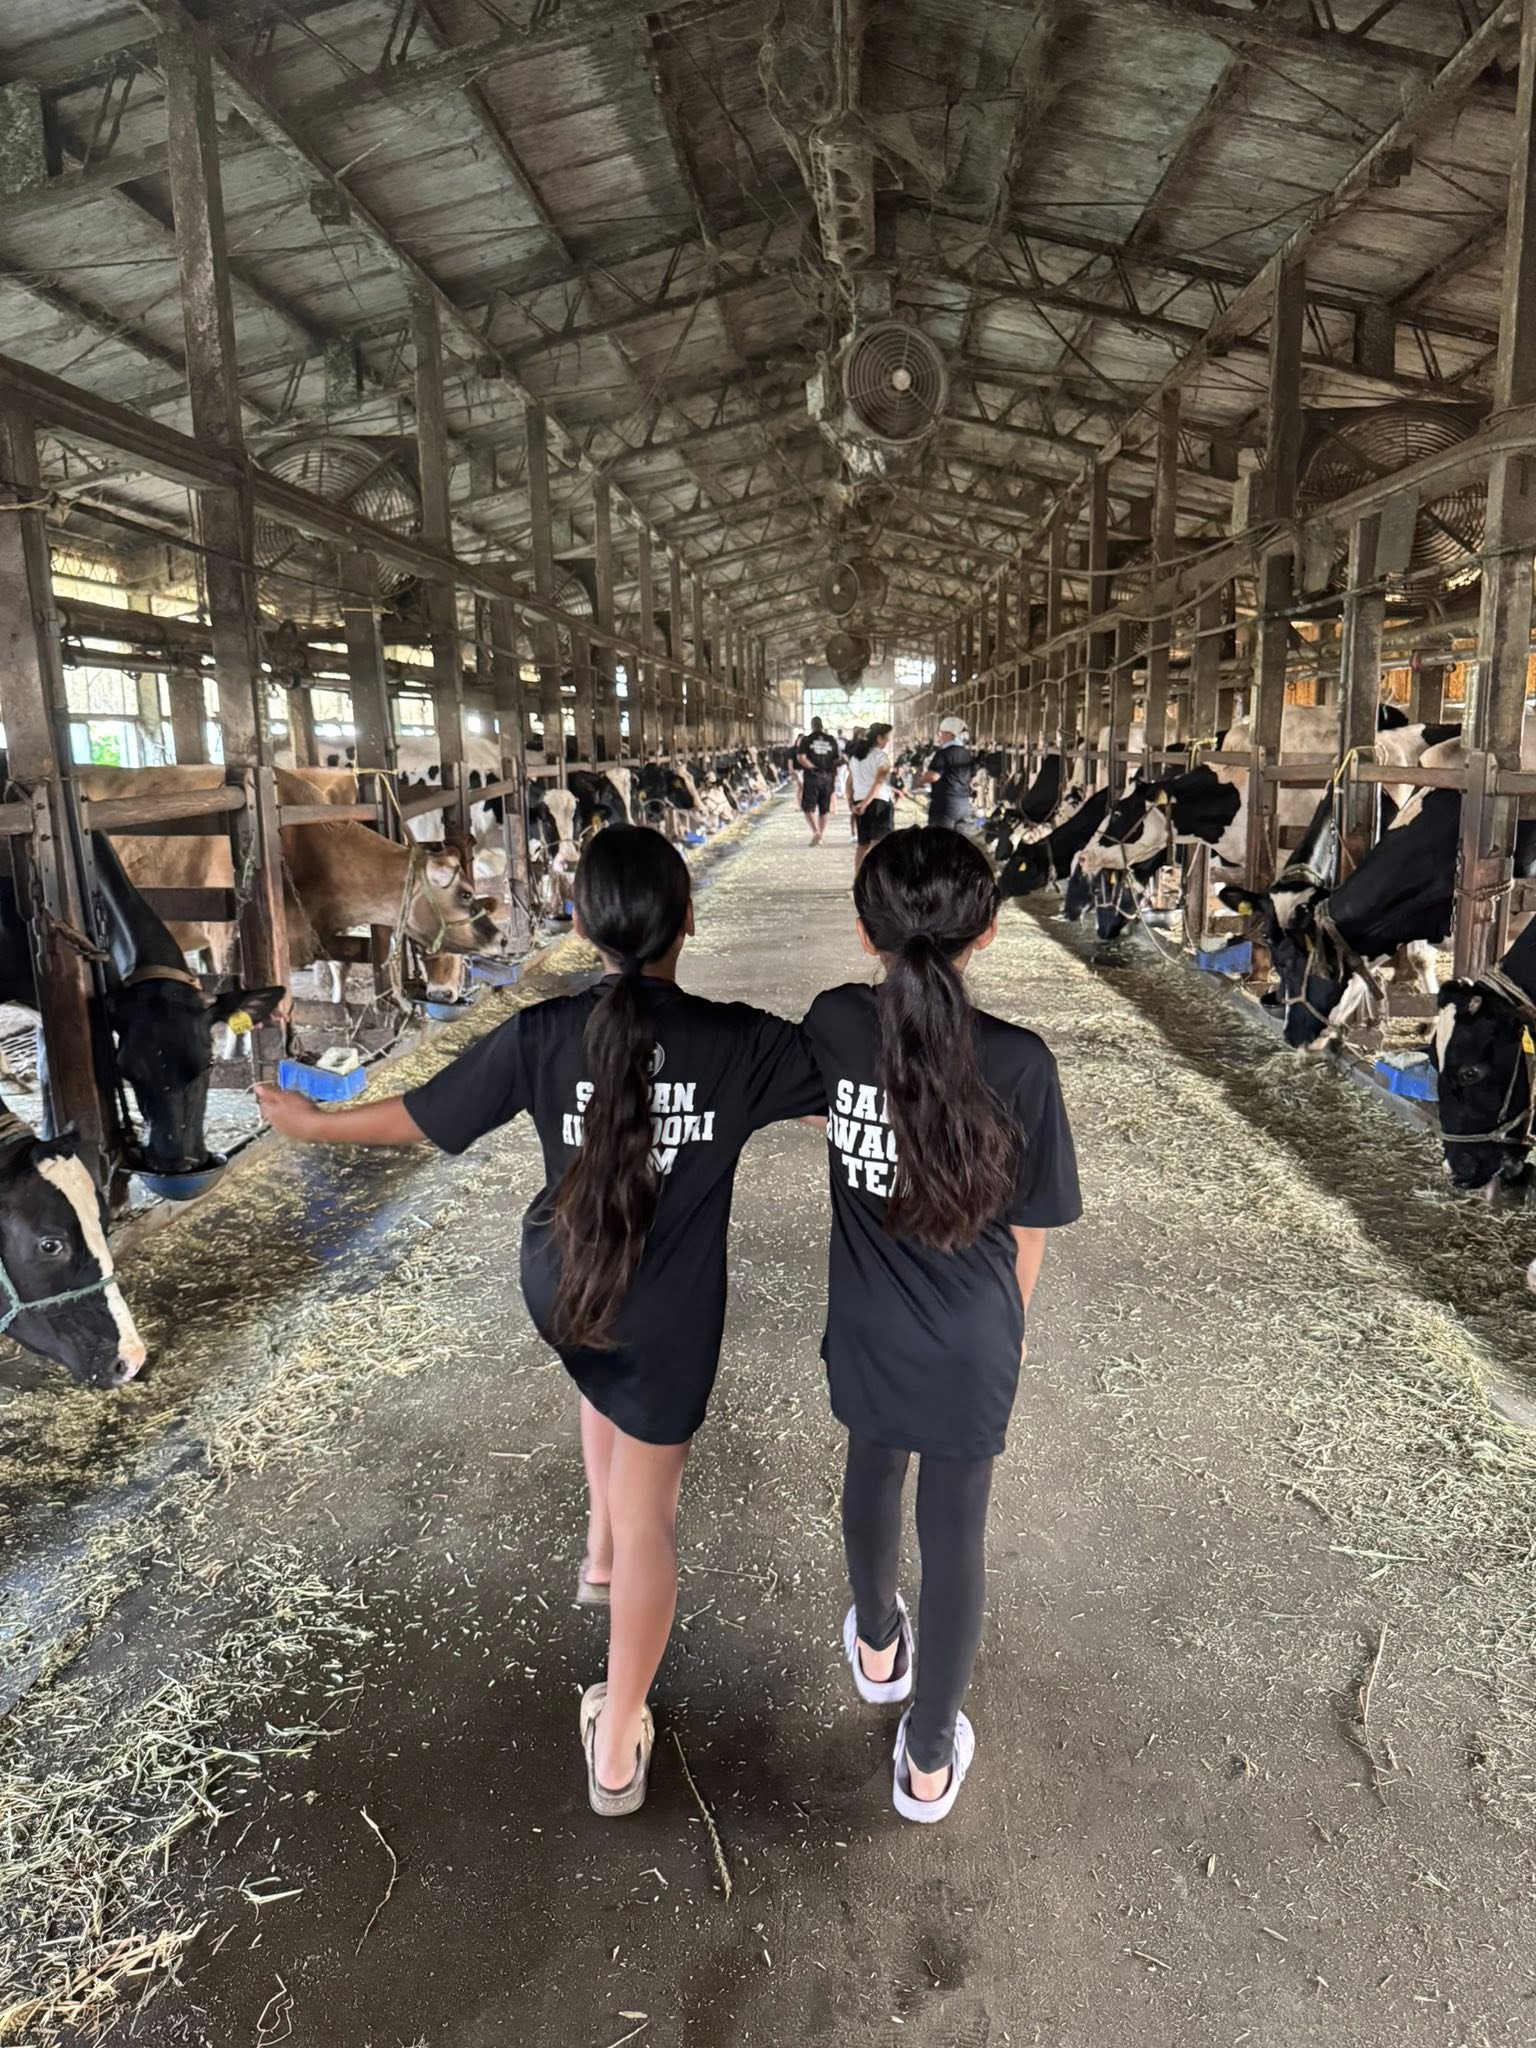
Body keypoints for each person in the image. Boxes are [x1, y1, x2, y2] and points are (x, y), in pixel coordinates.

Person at [254, 826, 824, 1818]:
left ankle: (599, 1555)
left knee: (596, 1365)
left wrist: (312, 1122)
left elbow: (419, 1116)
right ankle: (615, 1745)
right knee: (658, 1510)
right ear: (689, 919)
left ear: (579, 923)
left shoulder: (542, 1033)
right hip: (667, 1318)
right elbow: (849, 1083)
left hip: (560, 1285)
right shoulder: (742, 1045)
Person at [801, 829, 1081, 1822]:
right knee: (956, 1532)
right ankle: (925, 1759)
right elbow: (1036, 1227)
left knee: (871, 1469)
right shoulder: (1022, 1062)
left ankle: (878, 1645)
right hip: (972, 1340)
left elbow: (829, 1102)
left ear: (863, 930)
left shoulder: (838, 1023)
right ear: (991, 933)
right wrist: (1006, 1332)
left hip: (869, 1323)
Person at [847, 722, 895, 874]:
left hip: (859, 800)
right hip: (878, 802)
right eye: (887, 738)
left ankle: (858, 879)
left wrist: (852, 803)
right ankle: (878, 880)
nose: (888, 741)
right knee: (880, 844)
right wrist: (867, 803)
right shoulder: (881, 757)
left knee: (863, 844)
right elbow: (879, 782)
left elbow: (849, 782)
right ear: (879, 738)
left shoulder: (855, 757)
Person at [922, 715, 976, 831]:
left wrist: (920, 780)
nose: (939, 737)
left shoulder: (943, 753)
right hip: (963, 805)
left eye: (941, 733)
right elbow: (971, 778)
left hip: (945, 805)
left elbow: (934, 776)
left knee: (940, 843)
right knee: (958, 844)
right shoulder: (966, 754)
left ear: (949, 734)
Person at [796, 717, 841, 845]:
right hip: (827, 777)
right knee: (824, 809)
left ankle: (816, 831)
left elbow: (801, 758)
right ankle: (821, 835)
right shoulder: (831, 740)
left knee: (808, 808)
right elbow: (837, 759)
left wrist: (814, 767)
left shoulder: (806, 740)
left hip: (812, 777)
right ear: (822, 726)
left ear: (812, 726)